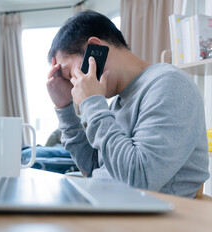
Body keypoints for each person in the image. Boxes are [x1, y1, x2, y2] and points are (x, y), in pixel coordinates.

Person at [46, 10, 210, 198]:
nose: (73, 85)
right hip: (111, 210)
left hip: (153, 223)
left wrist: (92, 103)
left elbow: (138, 180)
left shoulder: (170, 84)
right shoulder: (117, 101)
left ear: (94, 49)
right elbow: (93, 169)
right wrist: (64, 108)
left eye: (69, 75)